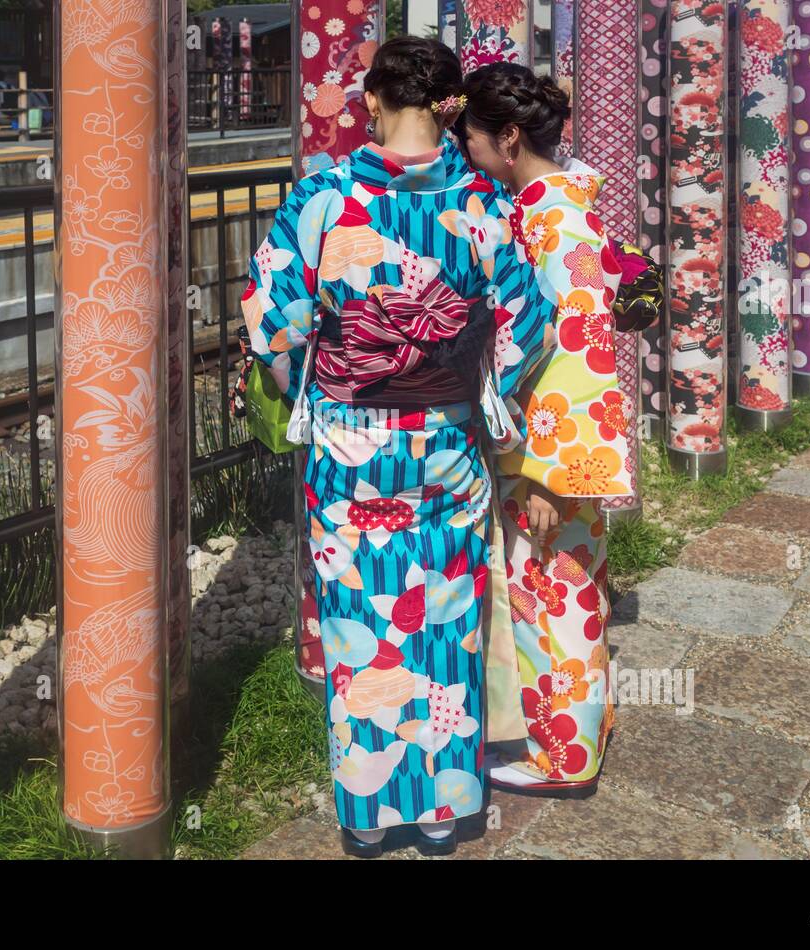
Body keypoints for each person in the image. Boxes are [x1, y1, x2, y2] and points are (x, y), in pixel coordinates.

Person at [241, 37, 553, 857]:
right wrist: (481, 391)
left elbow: (273, 318)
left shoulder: (326, 196)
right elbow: (529, 324)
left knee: (360, 623)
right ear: (449, 105)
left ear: (376, 100)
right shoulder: (484, 202)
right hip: (445, 441)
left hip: (351, 444)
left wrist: (302, 380)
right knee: (447, 619)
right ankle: (447, 809)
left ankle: (371, 817)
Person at [453, 63, 634, 795]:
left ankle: (565, 758)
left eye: (469, 137)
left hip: (553, 446)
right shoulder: (554, 202)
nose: (464, 151)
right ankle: (580, 728)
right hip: (543, 436)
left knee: (555, 595)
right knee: (563, 588)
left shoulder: (553, 217)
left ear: (507, 136)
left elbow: (584, 350)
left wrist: (548, 473)